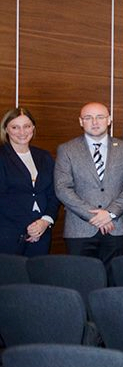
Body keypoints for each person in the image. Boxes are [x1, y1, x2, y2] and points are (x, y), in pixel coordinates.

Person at [54, 102, 123, 264]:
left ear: (109, 120)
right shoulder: (67, 149)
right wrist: (94, 216)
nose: (95, 122)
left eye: (100, 117)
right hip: (79, 229)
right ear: (80, 121)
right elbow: (62, 188)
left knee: (114, 277)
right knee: (82, 277)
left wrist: (110, 213)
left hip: (116, 227)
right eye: (88, 118)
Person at [0, 107, 57, 256]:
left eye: (26, 126)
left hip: (41, 233)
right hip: (7, 235)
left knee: (38, 271)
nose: (22, 132)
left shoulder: (44, 156)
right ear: (6, 129)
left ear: (33, 128)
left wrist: (45, 221)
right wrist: (28, 227)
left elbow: (53, 193)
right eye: (15, 127)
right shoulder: (2, 156)